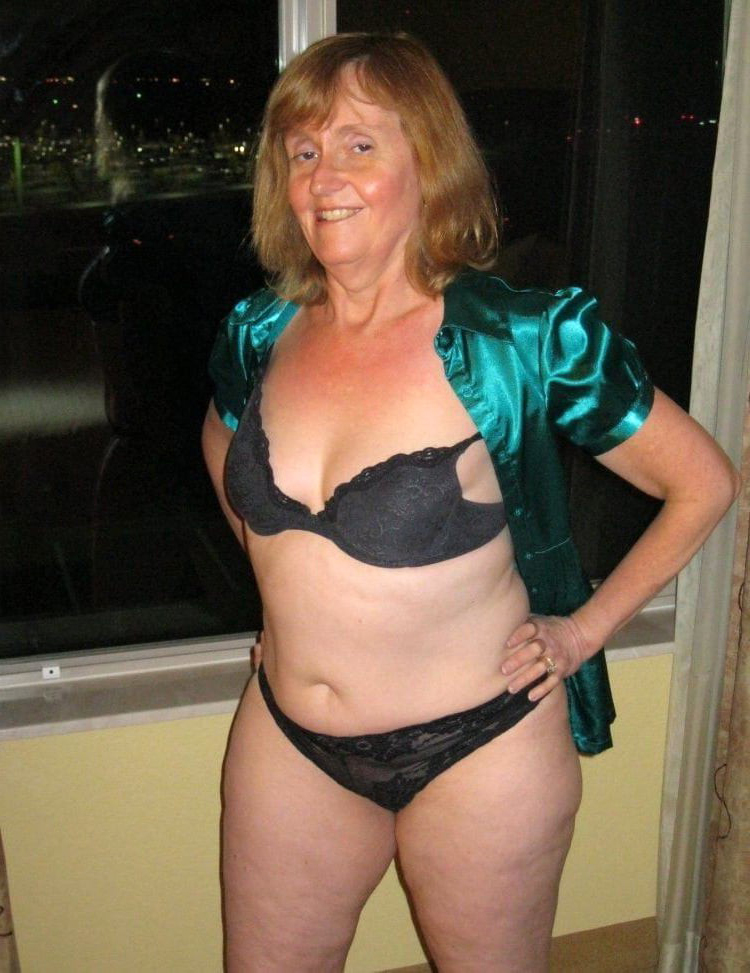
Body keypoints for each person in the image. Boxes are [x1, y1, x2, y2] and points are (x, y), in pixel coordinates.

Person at [202, 33, 739, 972]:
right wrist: (284, 590)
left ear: (428, 162)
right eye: (304, 150)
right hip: (289, 741)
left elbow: (703, 482)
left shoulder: (518, 340)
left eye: (360, 145)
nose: (324, 176)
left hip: (482, 747)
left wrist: (581, 630)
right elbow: (222, 440)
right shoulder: (260, 332)